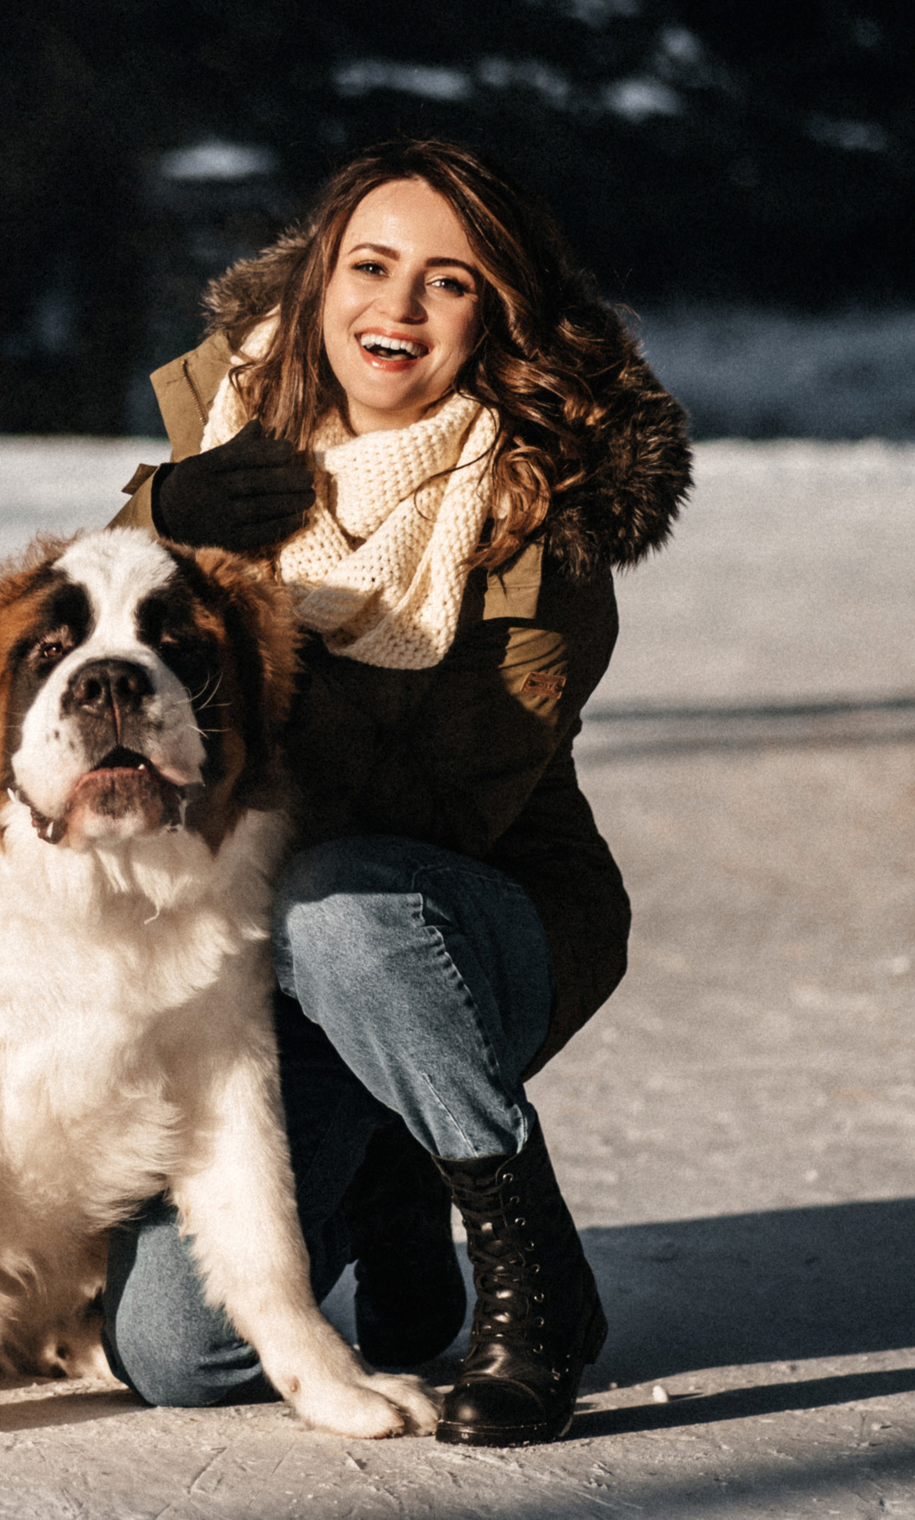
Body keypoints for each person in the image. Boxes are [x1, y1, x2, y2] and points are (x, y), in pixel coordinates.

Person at [106, 138, 691, 1446]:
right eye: (370, 267)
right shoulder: (228, 427)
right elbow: (103, 668)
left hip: (459, 927)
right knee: (175, 1351)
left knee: (343, 904)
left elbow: (430, 808)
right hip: (257, 947)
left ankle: (534, 1271)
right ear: (317, 281)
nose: (399, 308)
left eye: (450, 282)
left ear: (499, 315)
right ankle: (385, 1164)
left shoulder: (546, 515)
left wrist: (244, 633)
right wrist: (161, 523)